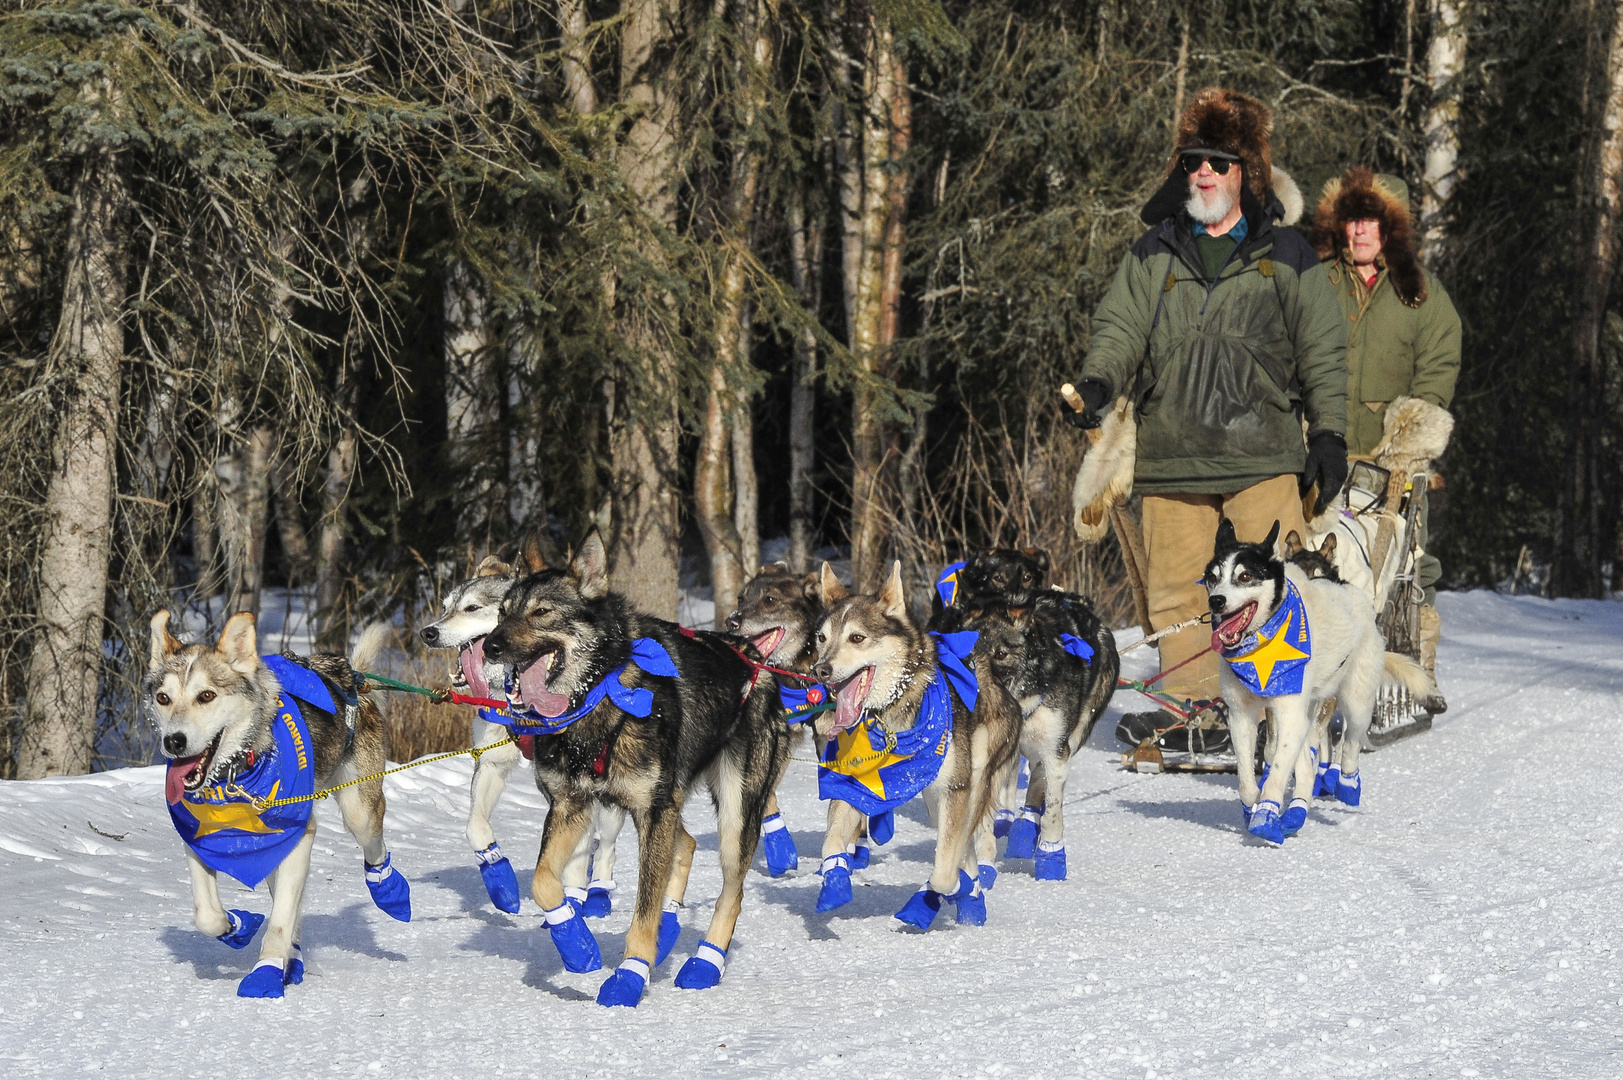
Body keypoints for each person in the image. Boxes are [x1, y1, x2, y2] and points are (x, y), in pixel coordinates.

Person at [1065, 88, 1349, 746]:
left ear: (1244, 174)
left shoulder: (1286, 254)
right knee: (1175, 594)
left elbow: (1323, 353)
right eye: (1193, 159)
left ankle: (1283, 705)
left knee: (1282, 586)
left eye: (1219, 162)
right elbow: (1118, 328)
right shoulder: (1153, 252)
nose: (1203, 171)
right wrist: (1100, 382)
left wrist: (1328, 434)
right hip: (1171, 451)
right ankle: (1191, 711)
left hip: (1264, 452)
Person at [1309, 167, 1461, 703]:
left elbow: (1440, 364)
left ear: (1391, 228)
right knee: (1316, 553)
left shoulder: (1420, 293)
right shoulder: (1316, 280)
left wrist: (1411, 438)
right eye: (1351, 220)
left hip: (1391, 456)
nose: (1360, 231)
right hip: (1320, 448)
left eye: (1372, 220)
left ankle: (1419, 661)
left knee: (1410, 558)